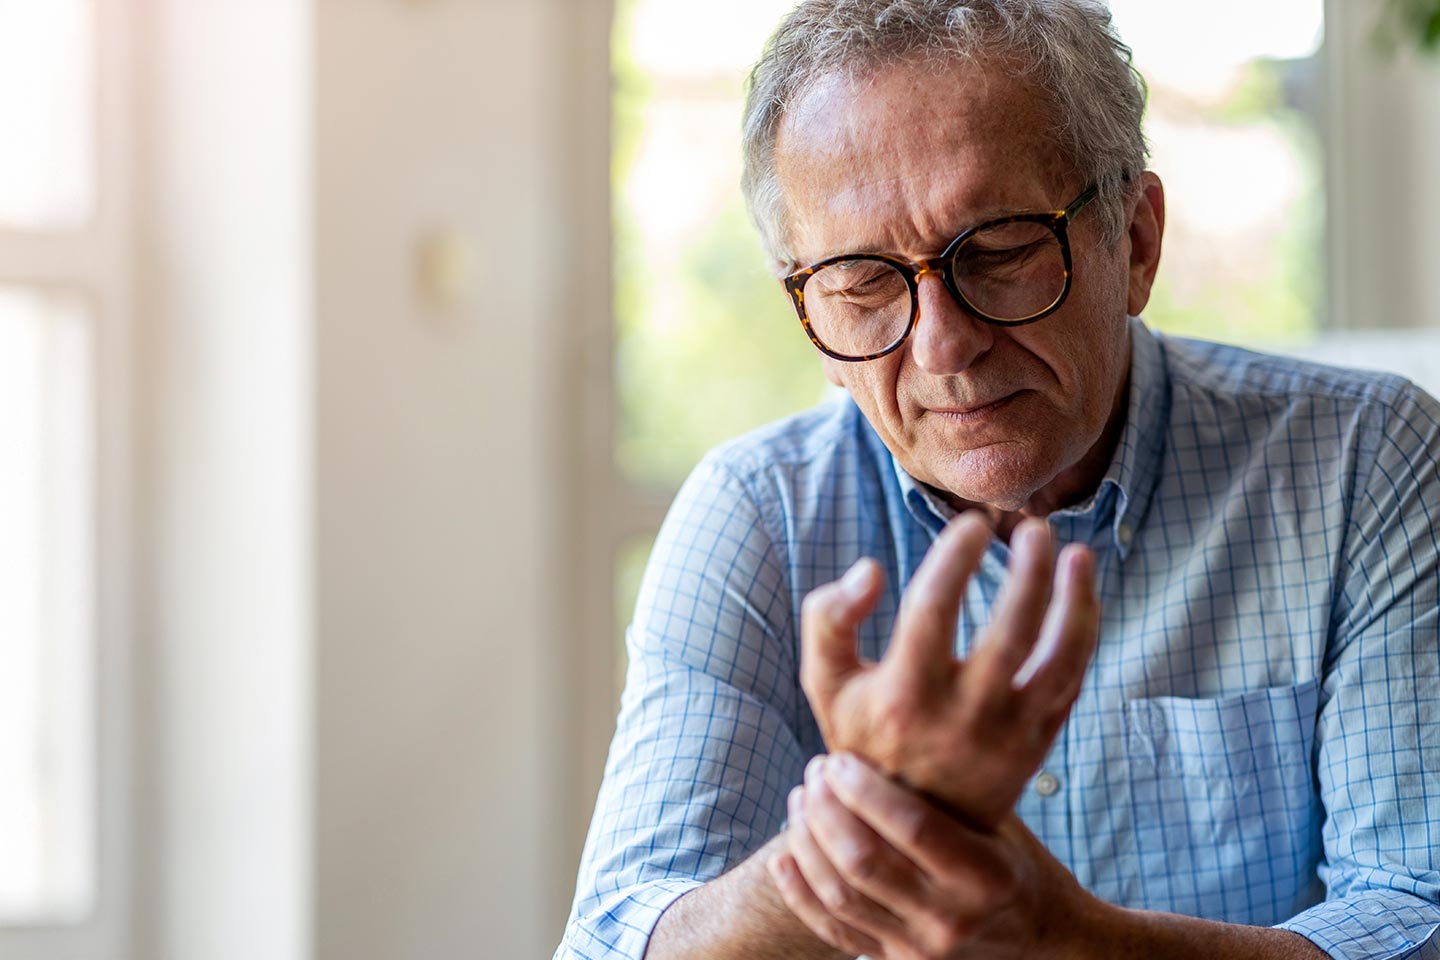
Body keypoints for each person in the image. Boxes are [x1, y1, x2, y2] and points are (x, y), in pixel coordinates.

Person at [555, 1, 1440, 957]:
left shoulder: (1363, 460)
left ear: (1137, 242)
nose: (943, 344)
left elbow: (1417, 912)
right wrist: (873, 822)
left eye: (1000, 250)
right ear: (809, 317)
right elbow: (617, 940)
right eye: (863, 281)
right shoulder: (757, 516)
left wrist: (1066, 940)